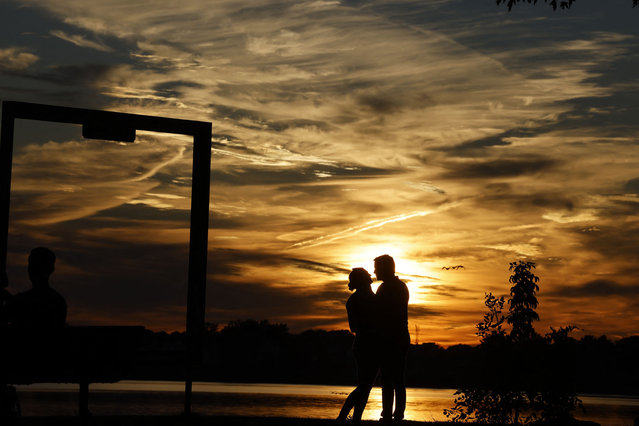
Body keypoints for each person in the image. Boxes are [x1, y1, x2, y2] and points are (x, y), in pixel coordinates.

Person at [337, 268, 380, 423]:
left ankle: (355, 418)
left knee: (366, 386)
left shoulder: (369, 298)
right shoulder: (358, 300)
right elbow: (354, 327)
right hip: (365, 345)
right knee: (364, 385)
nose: (371, 280)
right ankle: (343, 416)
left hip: (368, 345)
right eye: (368, 278)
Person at [374, 254, 409, 423]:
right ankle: (393, 414)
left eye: (377, 268)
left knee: (390, 378)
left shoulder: (388, 288)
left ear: (384, 269)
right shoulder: (399, 286)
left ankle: (391, 414)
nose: (374, 271)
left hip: (392, 338)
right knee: (394, 378)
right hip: (398, 337)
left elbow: (382, 314)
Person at [8, 247, 66, 328]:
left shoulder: (21, 301)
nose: (30, 269)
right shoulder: (58, 301)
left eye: (34, 265)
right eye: (31, 265)